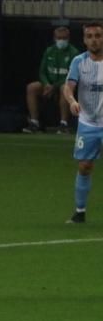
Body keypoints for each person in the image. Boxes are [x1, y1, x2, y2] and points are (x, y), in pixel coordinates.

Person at [62, 21, 103, 224]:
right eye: (90, 36)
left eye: (98, 35)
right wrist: (72, 101)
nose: (94, 40)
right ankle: (80, 211)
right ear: (85, 40)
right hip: (88, 123)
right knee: (85, 166)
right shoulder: (79, 61)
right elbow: (68, 86)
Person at [25, 25, 80, 134]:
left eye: (64, 38)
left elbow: (71, 76)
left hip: (63, 85)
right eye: (59, 38)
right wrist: (46, 84)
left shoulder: (74, 53)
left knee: (65, 88)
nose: (61, 41)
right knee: (31, 87)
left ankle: (63, 124)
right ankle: (34, 123)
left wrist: (54, 87)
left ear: (68, 39)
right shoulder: (49, 51)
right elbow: (42, 71)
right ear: (54, 38)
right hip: (48, 85)